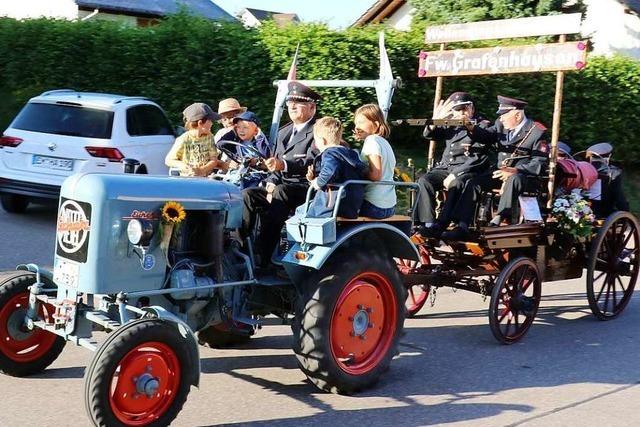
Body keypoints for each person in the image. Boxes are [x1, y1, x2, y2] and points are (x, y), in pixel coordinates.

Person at [443, 95, 549, 240]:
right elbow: (486, 136)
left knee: (514, 179)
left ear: (517, 115)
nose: (501, 118)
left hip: (525, 177)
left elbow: (540, 162)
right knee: (473, 183)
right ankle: (462, 225)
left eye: (504, 115)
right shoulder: (500, 124)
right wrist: (469, 126)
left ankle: (499, 218)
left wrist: (517, 170)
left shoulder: (536, 131)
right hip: (500, 172)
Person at [242, 81, 320, 265]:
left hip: (306, 187)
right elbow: (274, 163)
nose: (291, 106)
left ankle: (265, 252)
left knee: (281, 192)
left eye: (297, 103)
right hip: (281, 186)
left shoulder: (317, 131)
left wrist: (282, 166)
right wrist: (271, 181)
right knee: (248, 195)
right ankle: (240, 247)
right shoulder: (283, 132)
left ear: (312, 107)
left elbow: (313, 162)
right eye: (289, 103)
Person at [414, 92, 492, 238]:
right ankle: (428, 223)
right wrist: (435, 121)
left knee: (456, 183)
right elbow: (429, 134)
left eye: (464, 108)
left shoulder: (482, 125)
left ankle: (443, 223)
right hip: (446, 167)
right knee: (424, 181)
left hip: (467, 168)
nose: (461, 113)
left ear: (471, 108)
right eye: (457, 110)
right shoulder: (451, 124)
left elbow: (479, 153)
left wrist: (455, 173)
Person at [305, 117, 367, 218]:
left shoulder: (329, 153)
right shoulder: (352, 154)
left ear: (322, 140)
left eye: (315, 141)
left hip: (333, 203)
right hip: (352, 203)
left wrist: (317, 182)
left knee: (301, 212)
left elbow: (329, 172)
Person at [353, 103, 396, 219]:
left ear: (376, 125)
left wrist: (358, 170)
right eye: (356, 123)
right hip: (389, 204)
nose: (357, 127)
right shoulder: (384, 142)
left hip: (373, 204)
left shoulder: (371, 141)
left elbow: (376, 175)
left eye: (361, 122)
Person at [165, 102, 226, 177]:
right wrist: (184, 166)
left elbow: (214, 160)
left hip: (206, 178)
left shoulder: (209, 137)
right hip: (188, 179)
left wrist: (202, 170)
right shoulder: (184, 139)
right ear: (200, 123)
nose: (212, 123)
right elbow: (169, 160)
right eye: (210, 121)